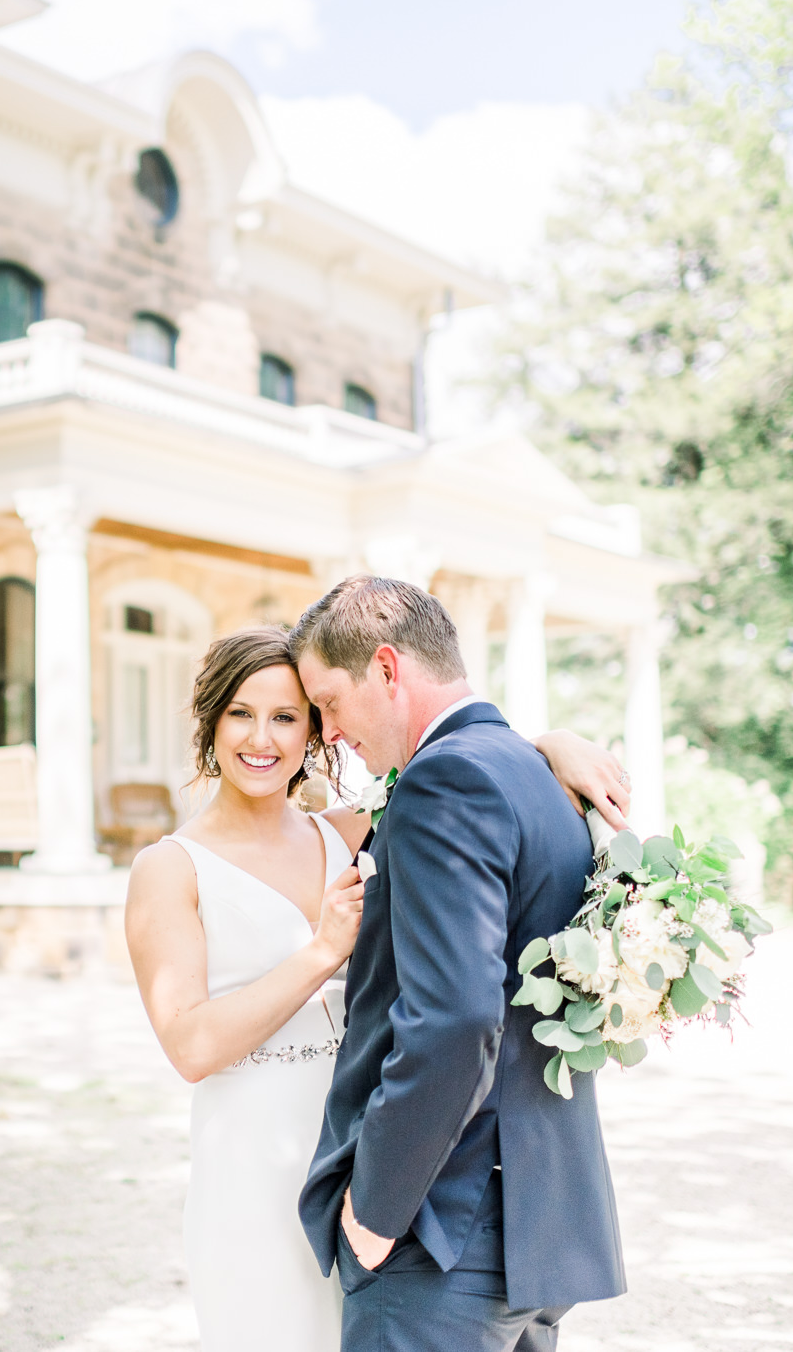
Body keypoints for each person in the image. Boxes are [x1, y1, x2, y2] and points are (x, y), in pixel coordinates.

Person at [125, 624, 629, 1351]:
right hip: (256, 1151)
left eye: (286, 716)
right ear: (210, 720)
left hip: (369, 1148)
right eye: (241, 712)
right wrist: (323, 952)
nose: (260, 738)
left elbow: (460, 766)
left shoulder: (349, 830)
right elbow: (190, 1046)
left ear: (317, 733)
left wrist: (551, 744)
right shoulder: (169, 868)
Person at [293, 576, 627, 1352]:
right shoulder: (541, 778)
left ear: (386, 667)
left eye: (331, 702)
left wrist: (374, 1212)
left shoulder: (443, 781)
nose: (331, 732)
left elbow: (455, 1019)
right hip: (537, 1230)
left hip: (440, 1237)